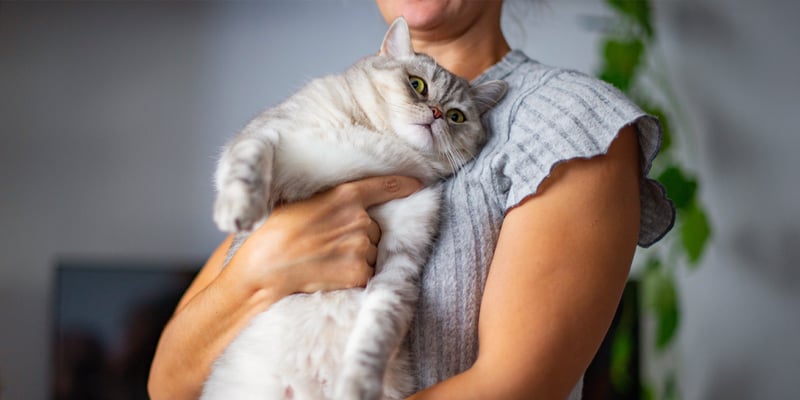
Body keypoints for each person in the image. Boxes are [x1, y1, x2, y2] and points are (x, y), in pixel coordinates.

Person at [148, 1, 675, 399]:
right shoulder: (338, 104)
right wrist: (262, 266)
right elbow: (169, 380)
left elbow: (514, 387)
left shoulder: (566, 120)